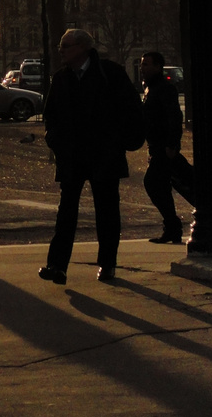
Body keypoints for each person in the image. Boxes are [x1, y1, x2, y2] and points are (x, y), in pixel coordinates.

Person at [39, 29, 144, 285]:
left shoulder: (110, 73)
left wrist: (121, 141)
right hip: (73, 155)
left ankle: (107, 264)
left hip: (104, 154)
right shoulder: (62, 78)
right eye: (60, 45)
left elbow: (131, 109)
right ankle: (57, 265)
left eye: (66, 45)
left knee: (106, 212)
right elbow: (50, 116)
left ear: (83, 48)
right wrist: (55, 141)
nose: (61, 50)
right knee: (66, 213)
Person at [140, 51, 192, 243]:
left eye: (146, 65)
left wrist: (172, 143)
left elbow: (174, 117)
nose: (142, 68)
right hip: (157, 146)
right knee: (167, 182)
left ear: (158, 67)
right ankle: (172, 227)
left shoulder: (163, 88)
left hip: (163, 146)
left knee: (154, 183)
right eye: (142, 64)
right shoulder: (151, 88)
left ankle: (173, 226)